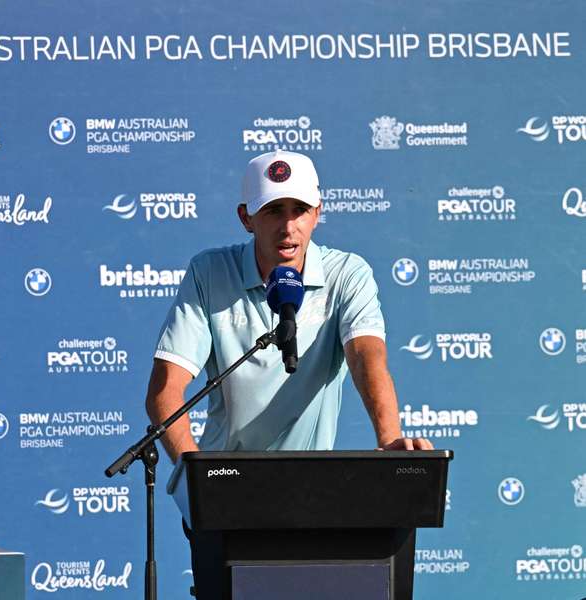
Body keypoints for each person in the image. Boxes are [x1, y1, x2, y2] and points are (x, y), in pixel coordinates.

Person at [144, 150, 432, 599]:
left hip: (314, 498)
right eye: (273, 210)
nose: (288, 225)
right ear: (246, 218)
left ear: (318, 213)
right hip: (226, 498)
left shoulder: (347, 273)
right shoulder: (209, 273)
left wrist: (390, 439)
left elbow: (367, 358)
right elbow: (165, 392)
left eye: (299, 209)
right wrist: (199, 486)